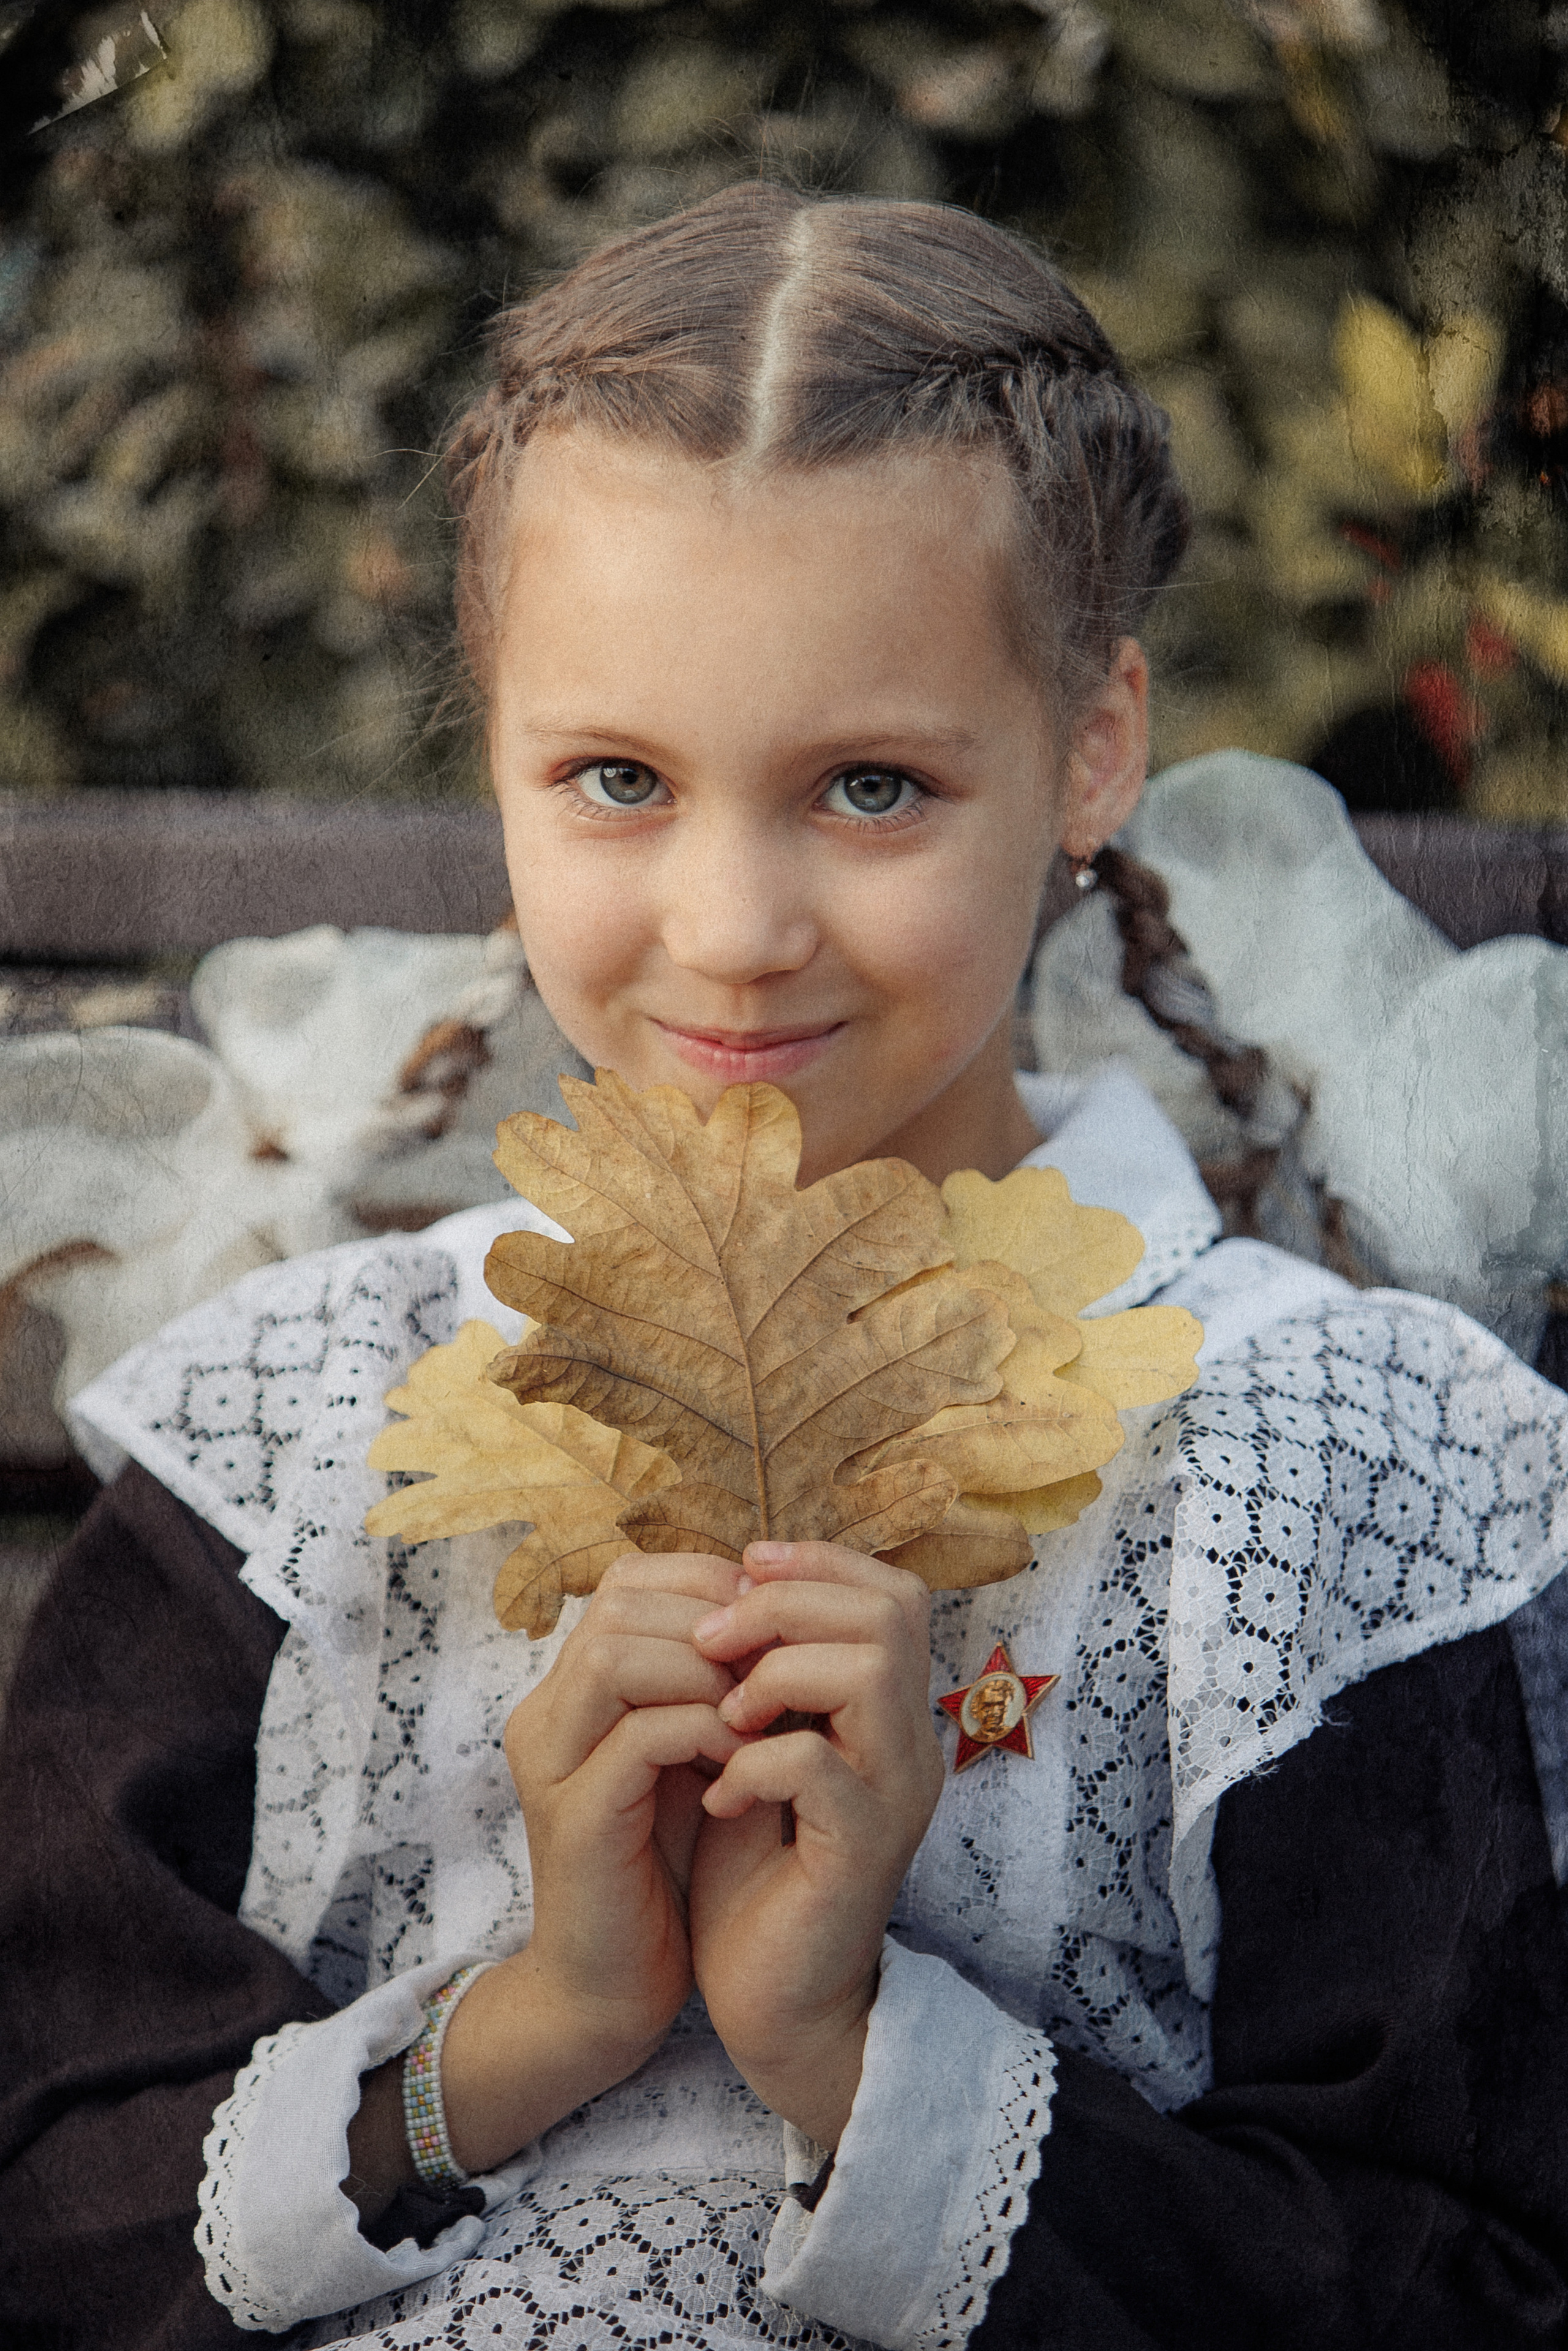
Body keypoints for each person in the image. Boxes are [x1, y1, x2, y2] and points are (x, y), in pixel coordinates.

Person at [3, 180, 1567, 2351]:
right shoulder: (296, 1451)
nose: (734, 927)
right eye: (621, 777)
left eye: (869, 787)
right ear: (501, 757)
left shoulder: (1322, 1480)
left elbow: (1469, 2281)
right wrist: (529, 2027)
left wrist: (863, 2058)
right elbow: (42, 2195)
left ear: (1092, 747)